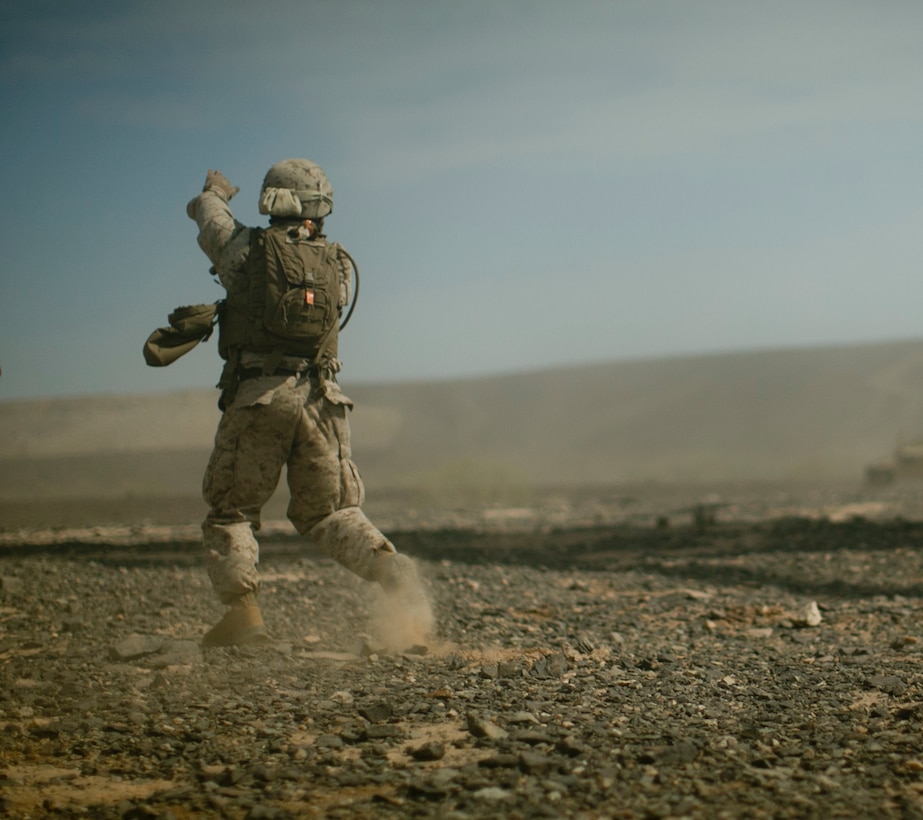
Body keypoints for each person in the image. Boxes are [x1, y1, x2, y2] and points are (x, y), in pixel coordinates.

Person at [185, 159, 432, 648]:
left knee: (231, 512)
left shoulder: (245, 252)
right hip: (323, 402)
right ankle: (388, 566)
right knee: (333, 512)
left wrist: (213, 191)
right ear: (322, 207)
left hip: (260, 398)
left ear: (270, 200)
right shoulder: (338, 264)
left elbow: (209, 217)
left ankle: (244, 616)